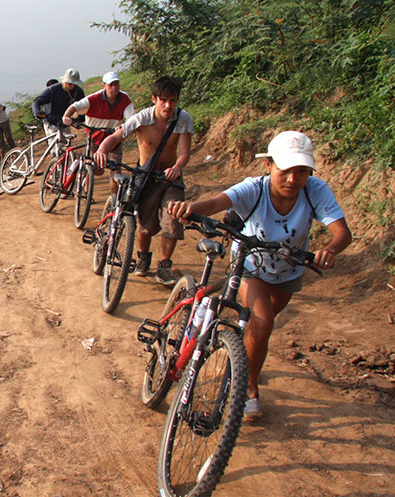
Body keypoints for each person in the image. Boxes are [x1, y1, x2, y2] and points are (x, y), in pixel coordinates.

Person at [168, 130, 352, 419]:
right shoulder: (254, 188)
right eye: (286, 170)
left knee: (258, 329)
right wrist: (190, 208)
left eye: (302, 171)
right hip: (250, 265)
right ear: (269, 165)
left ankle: (242, 366)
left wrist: (330, 249)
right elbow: (218, 202)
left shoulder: (315, 190)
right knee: (263, 322)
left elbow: (342, 233)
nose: (293, 179)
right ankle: (249, 388)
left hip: (289, 268)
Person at [93, 76, 192, 285]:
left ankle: (164, 265)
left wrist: (177, 168)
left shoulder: (183, 119)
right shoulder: (142, 118)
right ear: (154, 99)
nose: (168, 105)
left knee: (172, 220)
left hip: (170, 177)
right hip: (145, 176)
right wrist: (102, 149)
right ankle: (143, 257)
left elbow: (184, 151)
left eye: (173, 100)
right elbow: (116, 137)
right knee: (145, 224)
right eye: (163, 100)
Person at [63, 71, 135, 187]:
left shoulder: (124, 99)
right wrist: (66, 116)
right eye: (110, 85)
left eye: (116, 84)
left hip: (114, 138)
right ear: (104, 86)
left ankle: (114, 198)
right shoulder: (94, 99)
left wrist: (124, 126)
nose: (114, 88)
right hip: (95, 136)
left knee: (115, 169)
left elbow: (131, 118)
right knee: (93, 167)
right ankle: (86, 188)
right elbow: (75, 106)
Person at [32, 68, 85, 156]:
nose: (72, 86)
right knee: (57, 149)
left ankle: (63, 166)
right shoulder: (52, 90)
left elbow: (83, 106)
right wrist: (37, 112)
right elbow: (37, 101)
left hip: (66, 122)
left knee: (66, 145)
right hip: (51, 121)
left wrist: (80, 118)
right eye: (69, 84)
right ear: (64, 81)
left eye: (74, 84)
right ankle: (54, 164)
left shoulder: (78, 92)